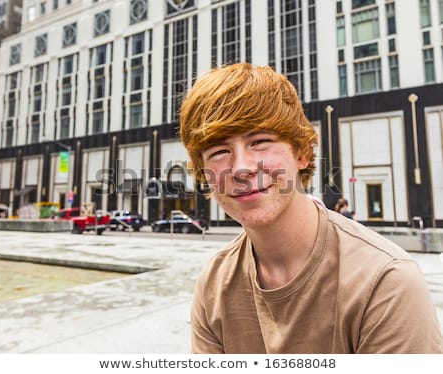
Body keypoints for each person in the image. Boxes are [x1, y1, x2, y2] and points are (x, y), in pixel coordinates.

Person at [179, 63, 443, 353]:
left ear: (302, 153)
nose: (241, 168)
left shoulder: (385, 283)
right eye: (219, 151)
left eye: (260, 142)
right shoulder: (214, 283)